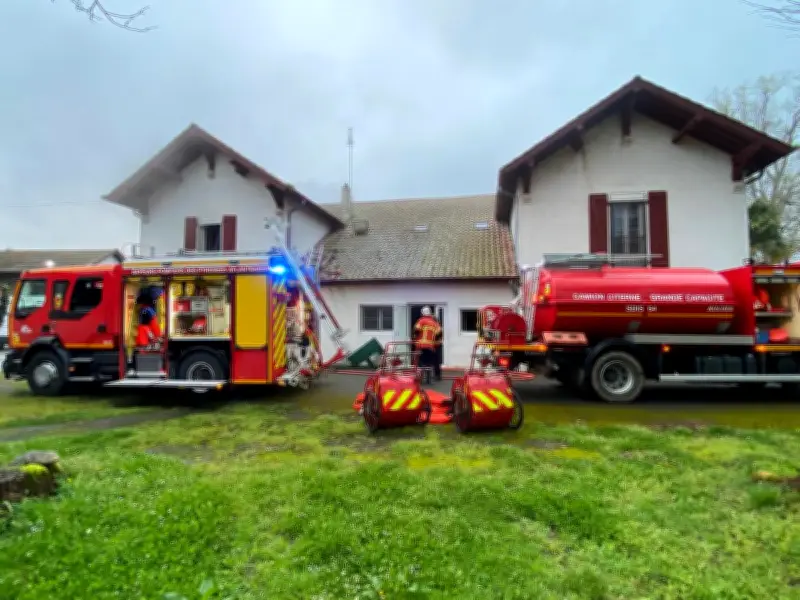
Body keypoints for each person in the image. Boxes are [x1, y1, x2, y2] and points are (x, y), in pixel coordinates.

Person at [413, 306, 442, 382]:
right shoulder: (435, 323)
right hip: (431, 346)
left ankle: (420, 377)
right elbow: (439, 333)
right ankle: (432, 377)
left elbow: (416, 329)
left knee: (420, 362)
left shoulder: (421, 320)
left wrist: (415, 337)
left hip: (421, 345)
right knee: (429, 362)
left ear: (422, 313)